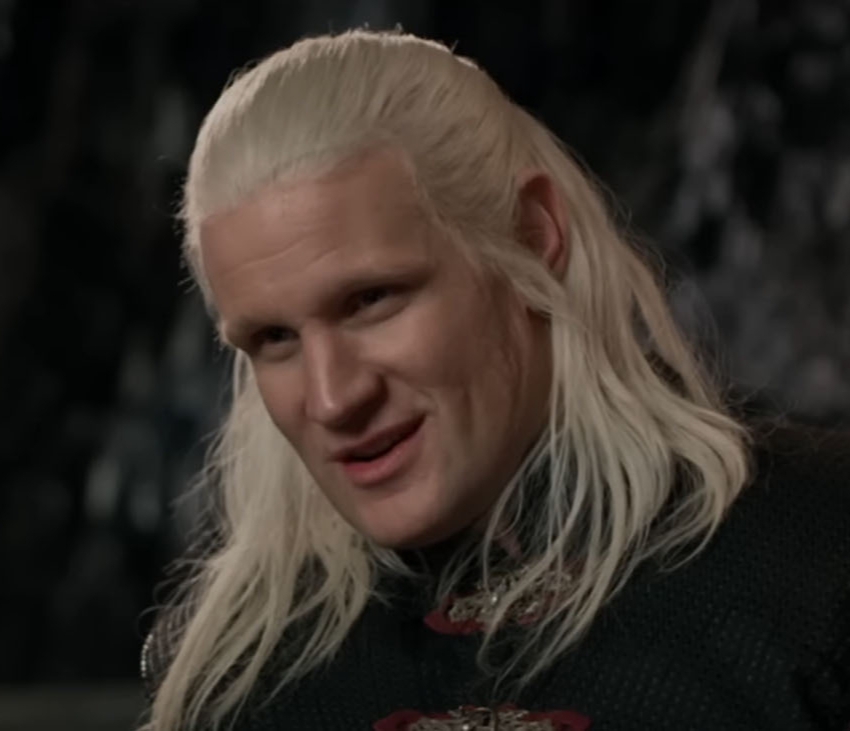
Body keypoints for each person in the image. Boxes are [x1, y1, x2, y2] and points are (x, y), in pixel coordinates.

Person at [139, 29, 850, 731]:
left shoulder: (817, 561)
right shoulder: (229, 674)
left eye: (372, 299)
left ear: (533, 234)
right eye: (274, 338)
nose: (333, 398)